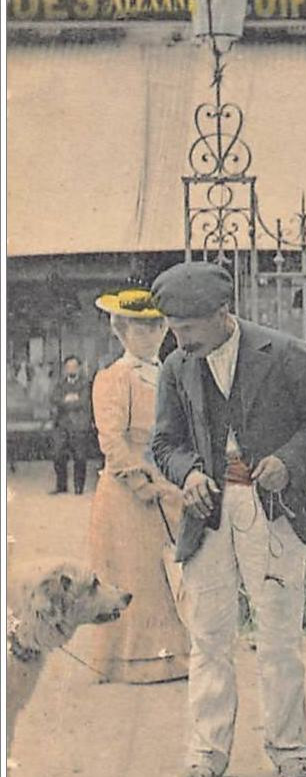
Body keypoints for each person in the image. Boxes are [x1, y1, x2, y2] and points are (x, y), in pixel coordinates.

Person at [149, 261, 306, 777]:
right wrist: (187, 472)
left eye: (187, 327)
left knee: (279, 635)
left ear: (222, 314)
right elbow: (163, 443)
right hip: (208, 516)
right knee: (209, 637)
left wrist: (289, 461)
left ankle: (290, 746)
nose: (178, 337)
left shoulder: (283, 354)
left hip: (276, 511)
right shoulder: (175, 366)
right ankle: (206, 752)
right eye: (173, 326)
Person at [84, 289, 189, 684]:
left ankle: (175, 657)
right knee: (136, 574)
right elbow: (112, 441)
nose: (149, 334)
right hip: (129, 496)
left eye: (156, 325)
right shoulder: (114, 379)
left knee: (169, 575)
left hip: (169, 489)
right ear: (120, 330)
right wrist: (144, 485)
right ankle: (130, 662)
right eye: (138, 327)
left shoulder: (170, 373)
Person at [50, 356, 96, 494]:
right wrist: (70, 399)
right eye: (69, 366)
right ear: (65, 369)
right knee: (58, 455)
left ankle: (78, 488)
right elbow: (54, 399)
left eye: (74, 366)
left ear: (79, 368)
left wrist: (66, 400)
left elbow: (83, 402)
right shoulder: (60, 384)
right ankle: (61, 487)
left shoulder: (85, 384)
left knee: (80, 457)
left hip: (79, 425)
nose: (71, 369)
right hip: (62, 425)